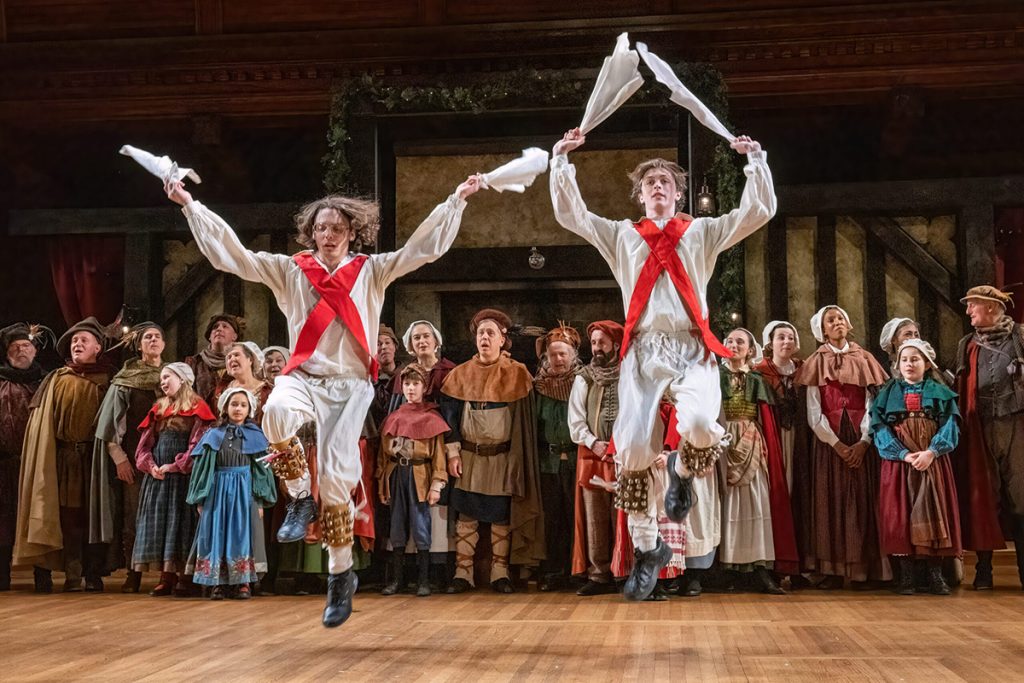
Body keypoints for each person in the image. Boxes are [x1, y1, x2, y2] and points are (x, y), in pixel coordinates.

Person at [166, 172, 479, 627]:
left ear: (352, 232)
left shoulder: (371, 270)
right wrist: (191, 207)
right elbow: (233, 254)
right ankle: (298, 497)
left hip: (351, 386)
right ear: (311, 232)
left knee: (335, 484)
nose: (327, 235)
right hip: (303, 377)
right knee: (274, 411)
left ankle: (339, 576)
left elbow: (421, 249)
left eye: (336, 228)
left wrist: (455, 201)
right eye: (320, 228)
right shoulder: (290, 269)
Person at [550, 127, 776, 600]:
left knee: (700, 423)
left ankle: (682, 476)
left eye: (665, 182)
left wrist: (755, 162)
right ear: (640, 195)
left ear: (677, 194)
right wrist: (562, 161)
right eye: (649, 182)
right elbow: (572, 216)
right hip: (643, 349)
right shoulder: (621, 235)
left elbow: (757, 211)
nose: (657, 186)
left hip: (692, 344)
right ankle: (648, 549)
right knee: (632, 447)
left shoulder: (701, 232)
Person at [441, 308, 545, 594]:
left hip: (503, 457)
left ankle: (500, 573)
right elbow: (449, 419)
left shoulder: (517, 373)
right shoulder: (459, 374)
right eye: (480, 333)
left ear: (502, 339)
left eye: (490, 333)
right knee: (466, 514)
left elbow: (525, 423)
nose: (484, 337)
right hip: (469, 457)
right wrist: (452, 453)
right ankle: (463, 573)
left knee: (500, 515)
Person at [14, 317, 112, 593]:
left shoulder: (109, 380)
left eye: (83, 340)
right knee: (69, 518)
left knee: (95, 516)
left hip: (97, 460)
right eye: (74, 341)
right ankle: (71, 572)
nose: (77, 344)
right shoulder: (57, 379)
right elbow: (43, 423)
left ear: (98, 347)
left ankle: (94, 573)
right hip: (65, 460)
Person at [795, 305, 890, 588]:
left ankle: (864, 570)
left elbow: (872, 404)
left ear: (848, 325)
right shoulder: (815, 361)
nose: (837, 323)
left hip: (861, 438)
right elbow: (814, 411)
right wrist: (836, 444)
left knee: (862, 503)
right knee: (830, 502)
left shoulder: (864, 358)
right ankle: (833, 570)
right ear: (822, 330)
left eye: (840, 319)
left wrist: (863, 442)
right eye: (830, 320)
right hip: (830, 443)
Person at [871, 339, 961, 596]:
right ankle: (907, 575)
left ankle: (934, 573)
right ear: (897, 364)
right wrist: (902, 454)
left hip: (931, 461)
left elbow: (950, 424)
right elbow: (879, 427)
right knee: (901, 512)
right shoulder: (888, 393)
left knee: (933, 510)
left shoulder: (939, 392)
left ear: (927, 364)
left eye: (915, 359)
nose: (909, 364)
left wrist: (932, 451)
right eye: (904, 360)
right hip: (900, 464)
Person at [953, 285, 1024, 589]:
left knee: (1021, 499)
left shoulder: (1020, 336)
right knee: (983, 497)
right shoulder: (967, 344)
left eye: (973, 305)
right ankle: (983, 570)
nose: (968, 311)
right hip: (980, 429)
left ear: (992, 307)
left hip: (1016, 424)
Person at [186, 387, 277, 600]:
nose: (238, 409)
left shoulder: (256, 436)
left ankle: (242, 582)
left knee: (242, 533)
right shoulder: (213, 434)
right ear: (225, 407)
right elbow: (202, 469)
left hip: (244, 491)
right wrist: (201, 498)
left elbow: (261, 471)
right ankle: (218, 583)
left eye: (243, 405)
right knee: (216, 533)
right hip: (217, 491)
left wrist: (259, 500)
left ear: (249, 409)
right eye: (234, 404)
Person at [717, 328, 790, 594]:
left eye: (740, 342)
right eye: (729, 341)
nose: (733, 345)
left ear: (750, 350)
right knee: (728, 505)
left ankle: (760, 568)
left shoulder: (757, 379)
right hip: (722, 439)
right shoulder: (714, 376)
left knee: (757, 502)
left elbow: (766, 417)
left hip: (751, 440)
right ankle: (729, 570)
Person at [133, 363, 215, 597]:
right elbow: (144, 445)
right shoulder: (158, 408)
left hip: (183, 479)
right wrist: (150, 466)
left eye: (167, 376)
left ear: (183, 379)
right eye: (161, 378)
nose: (163, 381)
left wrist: (177, 466)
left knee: (182, 523)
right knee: (161, 524)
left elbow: (198, 445)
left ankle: (186, 576)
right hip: (159, 477)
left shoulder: (197, 407)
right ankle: (166, 576)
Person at [377, 363, 448, 597]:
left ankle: (424, 580)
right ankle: (397, 580)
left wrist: (437, 484)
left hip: (419, 476)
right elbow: (382, 457)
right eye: (407, 384)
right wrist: (382, 485)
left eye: (415, 384)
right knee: (397, 526)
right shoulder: (394, 417)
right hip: (397, 474)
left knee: (420, 525)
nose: (410, 388)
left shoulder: (432, 417)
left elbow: (438, 456)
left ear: (424, 387)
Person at [755, 320, 813, 585]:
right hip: (772, 438)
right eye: (781, 337)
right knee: (776, 495)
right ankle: (775, 565)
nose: (786, 341)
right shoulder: (760, 372)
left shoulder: (804, 370)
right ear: (770, 343)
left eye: (790, 337)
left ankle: (800, 565)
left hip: (800, 439)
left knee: (800, 496)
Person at [568, 320, 623, 596]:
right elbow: (576, 418)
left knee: (624, 515)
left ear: (615, 344)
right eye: (593, 342)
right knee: (595, 517)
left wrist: (623, 444)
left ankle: (624, 571)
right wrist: (593, 442)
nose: (597, 347)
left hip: (624, 455)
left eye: (602, 342)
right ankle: (599, 574)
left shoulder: (629, 374)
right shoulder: (584, 377)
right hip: (594, 455)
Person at [0, 323, 51, 590]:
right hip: (5, 464)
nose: (21, 350)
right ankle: (2, 576)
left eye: (26, 346)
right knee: (3, 522)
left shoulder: (47, 382)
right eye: (15, 347)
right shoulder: (1, 383)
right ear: (7, 353)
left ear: (35, 350)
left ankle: (43, 576)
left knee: (39, 517)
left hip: (38, 464)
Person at [534, 323, 583, 592]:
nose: (558, 359)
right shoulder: (539, 386)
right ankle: (554, 571)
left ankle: (578, 571)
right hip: (548, 463)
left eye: (563, 354)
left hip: (577, 460)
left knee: (577, 517)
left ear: (573, 355)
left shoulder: (583, 382)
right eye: (553, 354)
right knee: (552, 519)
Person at [185, 313, 244, 404]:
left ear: (234, 336)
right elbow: (185, 396)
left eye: (225, 326)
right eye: (215, 327)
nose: (219, 329)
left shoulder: (242, 362)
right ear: (209, 336)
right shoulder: (194, 362)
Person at [211, 341, 272, 423]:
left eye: (236, 355)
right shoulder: (222, 389)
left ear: (250, 360)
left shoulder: (266, 391)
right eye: (229, 357)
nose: (232, 359)